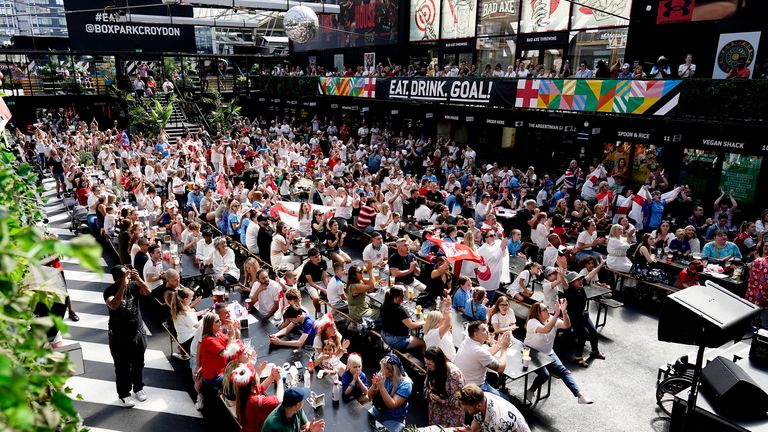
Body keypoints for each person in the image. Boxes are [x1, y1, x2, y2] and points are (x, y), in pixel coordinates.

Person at [524, 301, 593, 404]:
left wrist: (564, 312)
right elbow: (545, 329)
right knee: (545, 375)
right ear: (538, 313)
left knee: (564, 371)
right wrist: (556, 314)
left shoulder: (551, 318)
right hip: (532, 352)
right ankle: (530, 391)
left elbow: (566, 325)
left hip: (548, 353)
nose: (548, 310)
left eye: (547, 308)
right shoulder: (532, 322)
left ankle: (580, 395)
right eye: (545, 309)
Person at [103, 265, 151, 408]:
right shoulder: (109, 291)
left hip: (137, 332)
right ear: (118, 278)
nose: (129, 277)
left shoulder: (134, 285)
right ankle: (124, 394)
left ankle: (138, 387)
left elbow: (147, 291)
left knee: (138, 363)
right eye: (126, 275)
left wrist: (138, 278)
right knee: (122, 366)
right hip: (119, 336)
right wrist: (123, 286)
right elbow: (114, 305)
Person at [454, 320, 512, 399]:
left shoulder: (467, 341)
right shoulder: (478, 351)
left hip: (461, 383)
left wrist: (499, 345)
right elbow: (501, 368)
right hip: (474, 389)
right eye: (484, 330)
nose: (487, 331)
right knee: (506, 399)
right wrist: (504, 348)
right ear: (476, 334)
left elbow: (484, 354)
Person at [564, 272, 605, 368]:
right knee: (583, 334)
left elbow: (589, 275)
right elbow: (564, 281)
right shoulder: (569, 290)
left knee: (593, 331)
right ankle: (578, 358)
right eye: (577, 280)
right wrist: (561, 273)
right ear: (572, 283)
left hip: (583, 314)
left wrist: (601, 265)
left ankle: (595, 351)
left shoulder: (580, 287)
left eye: (580, 279)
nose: (580, 281)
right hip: (573, 317)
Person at [367, 354, 413, 432]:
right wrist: (374, 387)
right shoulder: (383, 373)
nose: (381, 372)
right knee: (365, 426)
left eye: (382, 370)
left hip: (393, 418)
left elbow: (392, 405)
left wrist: (381, 388)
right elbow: (369, 396)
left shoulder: (406, 384)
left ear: (391, 372)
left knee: (383, 431)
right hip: (377, 411)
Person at [457, 384, 531, 432]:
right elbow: (477, 420)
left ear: (478, 406)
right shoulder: (481, 398)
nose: (464, 409)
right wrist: (471, 431)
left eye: (467, 407)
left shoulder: (498, 422)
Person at [424, 346, 465, 427]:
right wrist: (429, 394)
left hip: (451, 415)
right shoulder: (431, 370)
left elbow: (459, 399)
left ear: (438, 363)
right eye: (425, 363)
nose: (426, 366)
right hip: (436, 412)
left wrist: (441, 400)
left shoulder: (454, 375)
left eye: (429, 364)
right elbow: (425, 387)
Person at [238, 364, 285, 432]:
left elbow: (261, 388)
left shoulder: (244, 390)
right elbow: (279, 399)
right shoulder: (256, 400)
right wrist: (279, 380)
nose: (257, 373)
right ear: (253, 383)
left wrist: (272, 376)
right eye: (256, 373)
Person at [380, 286, 425, 354]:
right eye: (402, 296)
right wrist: (424, 322)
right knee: (422, 343)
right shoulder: (400, 310)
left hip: (384, 334)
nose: (403, 299)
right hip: (395, 340)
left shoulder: (384, 305)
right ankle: (422, 362)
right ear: (396, 298)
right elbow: (411, 326)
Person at [199, 312, 230, 390]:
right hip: (214, 376)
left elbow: (229, 341)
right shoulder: (209, 340)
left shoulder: (217, 333)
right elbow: (226, 353)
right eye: (217, 321)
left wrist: (234, 329)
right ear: (210, 325)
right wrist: (232, 335)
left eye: (219, 320)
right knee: (238, 380)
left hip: (222, 370)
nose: (220, 322)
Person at [476, 230, 509, 304]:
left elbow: (503, 255)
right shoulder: (483, 249)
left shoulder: (496, 245)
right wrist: (502, 247)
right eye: (491, 236)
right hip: (487, 277)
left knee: (490, 295)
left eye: (494, 235)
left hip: (494, 276)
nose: (493, 236)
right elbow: (495, 258)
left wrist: (503, 247)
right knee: (487, 299)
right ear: (485, 238)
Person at [745, 253, 768, 328]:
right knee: (764, 327)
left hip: (752, 296)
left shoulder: (758, 260)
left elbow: (749, 267)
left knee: (748, 323)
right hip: (764, 300)